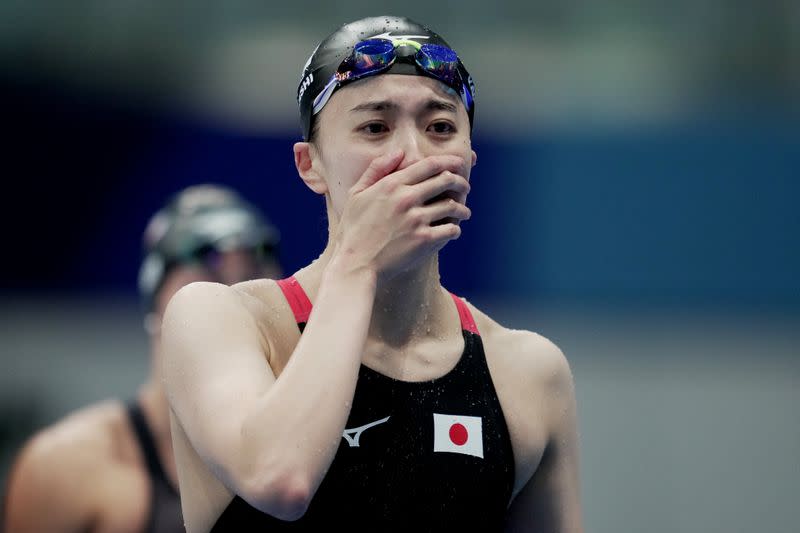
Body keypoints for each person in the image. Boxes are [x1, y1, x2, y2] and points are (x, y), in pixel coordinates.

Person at [162, 15, 583, 533]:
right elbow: (279, 478)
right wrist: (358, 262)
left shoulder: (528, 374)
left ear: (469, 159)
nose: (412, 154)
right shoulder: (221, 320)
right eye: (375, 127)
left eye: (441, 127)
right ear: (309, 165)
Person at [2, 184, 282, 533]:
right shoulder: (66, 467)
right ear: (156, 307)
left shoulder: (303, 455)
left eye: (249, 283)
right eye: (209, 283)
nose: (226, 305)